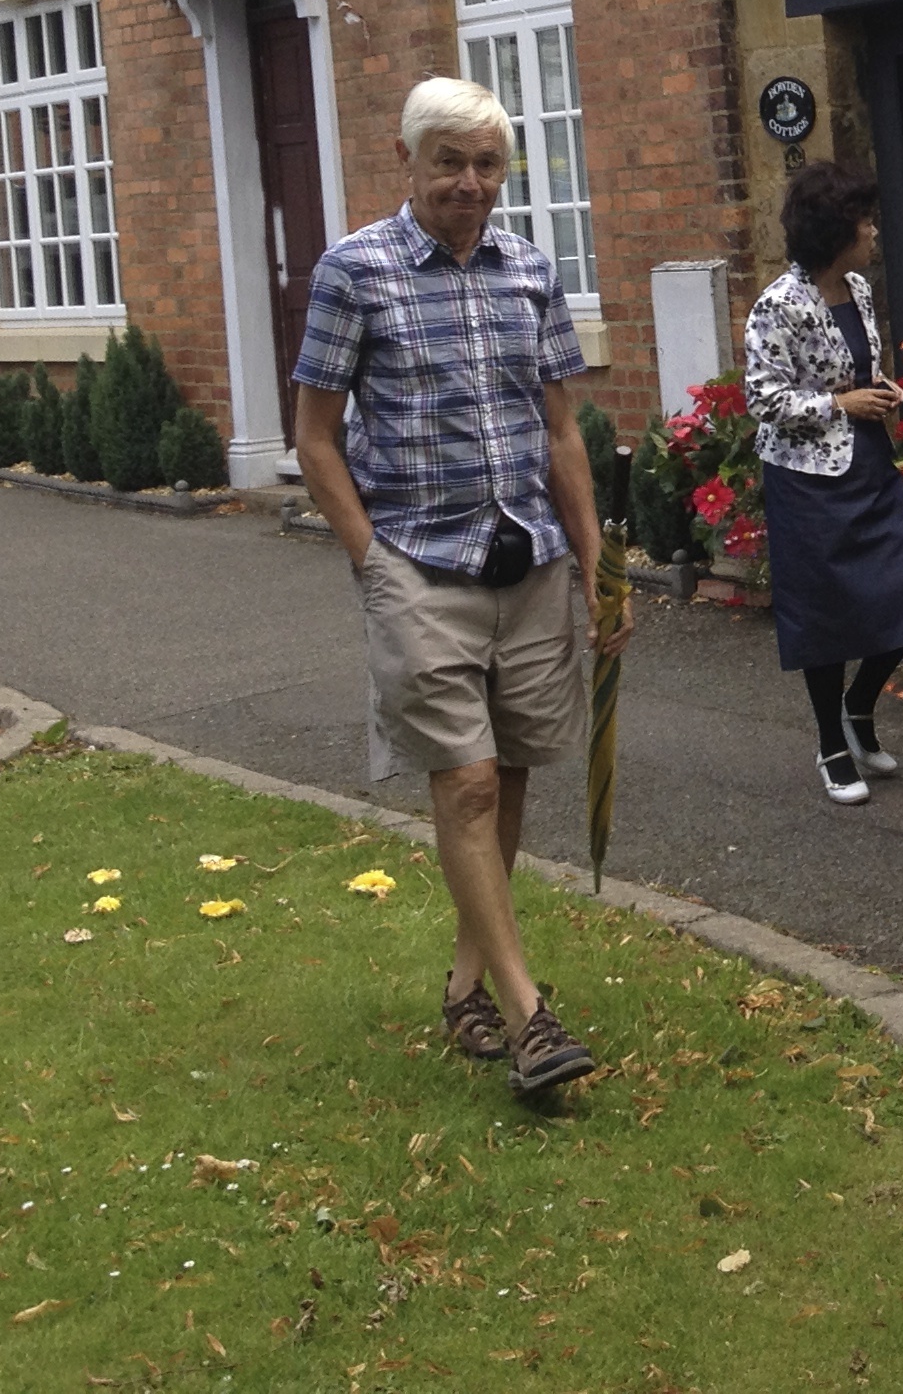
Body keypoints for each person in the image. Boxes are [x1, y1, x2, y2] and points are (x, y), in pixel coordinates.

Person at [291, 75, 626, 1100]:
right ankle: (530, 1019)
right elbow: (315, 438)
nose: (469, 183)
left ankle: (468, 987)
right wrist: (371, 558)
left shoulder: (531, 271)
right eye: (450, 162)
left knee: (511, 771)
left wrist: (597, 566)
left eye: (487, 165)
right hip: (418, 562)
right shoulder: (355, 272)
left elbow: (560, 429)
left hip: (529, 561)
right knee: (467, 780)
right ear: (407, 160)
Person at [743, 160, 903, 806]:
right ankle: (832, 742)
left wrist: (875, 390)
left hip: (868, 463)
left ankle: (859, 707)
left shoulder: (856, 287)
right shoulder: (778, 304)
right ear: (836, 230)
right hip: (807, 480)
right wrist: (839, 405)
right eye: (865, 221)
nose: (875, 231)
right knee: (824, 617)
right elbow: (762, 397)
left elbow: (852, 369)